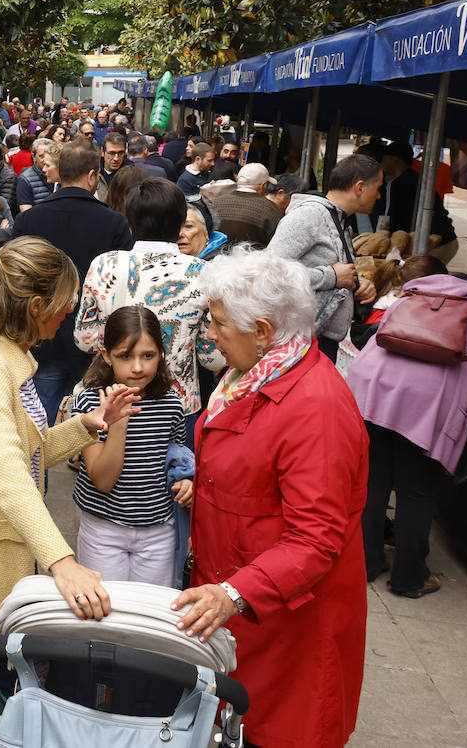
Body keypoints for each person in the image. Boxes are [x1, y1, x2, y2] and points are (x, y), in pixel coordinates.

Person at [0, 238, 140, 746]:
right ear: (36, 306)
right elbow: (6, 473)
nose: (69, 314)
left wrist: (89, 425)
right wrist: (63, 561)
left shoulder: (4, 356)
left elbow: (27, 451)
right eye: (65, 304)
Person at [172, 247, 368, 748]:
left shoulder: (315, 407)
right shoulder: (254, 374)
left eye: (218, 323)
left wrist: (234, 593)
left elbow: (317, 540)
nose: (209, 334)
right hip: (247, 614)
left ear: (262, 331)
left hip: (285, 629)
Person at [348, 269, 467, 599]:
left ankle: (367, 562)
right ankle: (409, 578)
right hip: (429, 406)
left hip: (373, 389)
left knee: (373, 483)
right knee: (416, 492)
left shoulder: (415, 292)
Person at [77, 179, 225, 445]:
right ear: (181, 223)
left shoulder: (104, 265)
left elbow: (84, 340)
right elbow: (212, 358)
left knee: (107, 480)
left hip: (112, 400)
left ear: (130, 221)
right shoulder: (202, 273)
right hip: (178, 405)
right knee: (174, 481)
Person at [13, 142, 133, 420]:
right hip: (94, 341)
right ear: (92, 176)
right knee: (94, 425)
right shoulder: (113, 223)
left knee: (35, 424)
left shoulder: (29, 220)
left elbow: (16, 279)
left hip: (43, 336)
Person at [72, 305, 189, 587]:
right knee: (103, 617)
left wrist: (186, 481)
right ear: (106, 356)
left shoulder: (171, 405)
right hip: (103, 528)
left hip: (158, 531)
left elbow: (176, 460)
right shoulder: (90, 403)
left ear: (161, 354)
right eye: (125, 356)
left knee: (147, 617)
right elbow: (102, 479)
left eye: (147, 356)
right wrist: (118, 421)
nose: (137, 367)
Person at [266, 153, 381, 360]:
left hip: (318, 340)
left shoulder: (336, 217)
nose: (379, 196)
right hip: (299, 343)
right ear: (360, 187)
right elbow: (268, 272)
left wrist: (356, 283)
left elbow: (332, 269)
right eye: (378, 189)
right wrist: (333, 277)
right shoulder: (308, 216)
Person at [377, 141, 458, 264]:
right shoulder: (413, 178)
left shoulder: (402, 183)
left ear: (394, 159)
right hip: (443, 241)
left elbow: (395, 219)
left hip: (438, 243)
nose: (381, 163)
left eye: (383, 159)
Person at [207, 163, 284, 248]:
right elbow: (277, 245)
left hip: (212, 259)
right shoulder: (271, 209)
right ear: (263, 185)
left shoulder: (214, 203)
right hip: (251, 260)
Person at [15, 135, 58, 213]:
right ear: (33, 157)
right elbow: (26, 213)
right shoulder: (25, 180)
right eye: (41, 156)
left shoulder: (59, 175)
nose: (45, 159)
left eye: (49, 155)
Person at [95, 133, 130, 203]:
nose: (116, 158)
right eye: (111, 153)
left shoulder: (130, 174)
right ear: (102, 152)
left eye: (120, 153)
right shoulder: (93, 172)